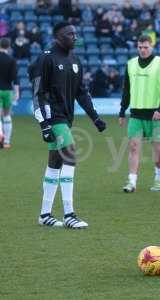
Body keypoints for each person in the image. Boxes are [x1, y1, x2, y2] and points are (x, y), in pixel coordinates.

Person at [29, 21, 107, 228]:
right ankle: (69, 214)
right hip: (53, 116)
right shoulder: (46, 58)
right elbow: (37, 93)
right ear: (58, 36)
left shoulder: (75, 59)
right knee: (70, 154)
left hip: (66, 117)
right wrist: (43, 124)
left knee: (55, 164)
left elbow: (82, 92)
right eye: (70, 34)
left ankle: (45, 214)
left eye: (75, 33)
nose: (75, 36)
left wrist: (95, 117)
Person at [119, 35, 160, 193]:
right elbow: (126, 90)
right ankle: (132, 182)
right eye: (140, 47)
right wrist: (122, 111)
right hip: (136, 115)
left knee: (157, 151)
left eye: (145, 47)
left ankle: (159, 177)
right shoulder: (130, 64)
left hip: (155, 116)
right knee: (133, 147)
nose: (142, 50)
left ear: (152, 46)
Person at [0, 37, 19, 148]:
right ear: (9, 46)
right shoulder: (12, 60)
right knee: (7, 116)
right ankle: (6, 141)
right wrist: (17, 92)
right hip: (7, 90)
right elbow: (15, 78)